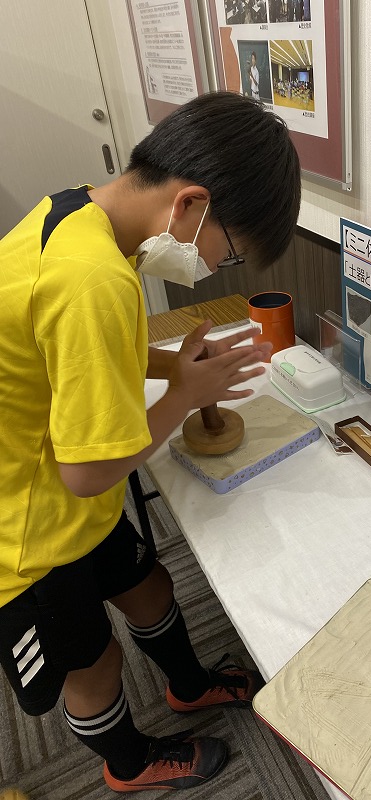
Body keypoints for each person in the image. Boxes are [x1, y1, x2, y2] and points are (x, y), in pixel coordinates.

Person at [0, 91, 300, 793]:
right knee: (94, 662)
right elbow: (86, 472)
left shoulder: (84, 213)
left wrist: (174, 366)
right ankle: (128, 764)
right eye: (230, 254)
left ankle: (188, 686)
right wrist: (186, 395)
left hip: (72, 496)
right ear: (191, 204)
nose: (218, 267)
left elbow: (89, 352)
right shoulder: (92, 278)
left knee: (150, 586)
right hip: (29, 527)